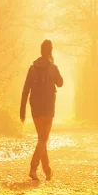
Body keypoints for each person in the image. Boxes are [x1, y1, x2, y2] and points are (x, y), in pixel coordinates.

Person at [20, 40, 64, 181]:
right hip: (48, 108)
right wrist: (54, 65)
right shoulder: (52, 67)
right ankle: (33, 168)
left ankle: (47, 170)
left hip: (36, 108)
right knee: (43, 139)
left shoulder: (32, 69)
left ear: (40, 51)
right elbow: (61, 83)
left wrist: (22, 111)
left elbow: (25, 90)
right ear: (50, 51)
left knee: (42, 139)